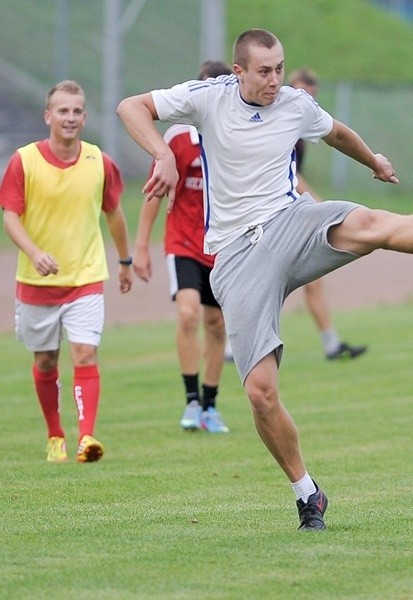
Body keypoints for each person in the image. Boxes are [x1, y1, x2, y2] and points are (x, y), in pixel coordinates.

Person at [116, 28, 413, 530]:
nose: (275, 79)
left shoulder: (293, 104)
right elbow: (131, 106)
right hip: (237, 255)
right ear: (238, 72)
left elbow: (337, 132)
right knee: (261, 393)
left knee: (370, 225)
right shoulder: (207, 97)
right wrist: (163, 154)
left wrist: (374, 160)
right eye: (264, 71)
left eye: (280, 68)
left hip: (290, 221)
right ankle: (308, 493)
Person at [0, 79, 133, 463]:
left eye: (76, 111)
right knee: (46, 361)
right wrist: (35, 252)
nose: (70, 118)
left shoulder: (99, 162)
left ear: (84, 117)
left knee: (85, 354)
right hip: (36, 282)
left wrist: (124, 262)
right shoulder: (24, 160)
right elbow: (10, 217)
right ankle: (55, 434)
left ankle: (86, 438)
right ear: (48, 116)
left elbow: (114, 213)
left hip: (85, 278)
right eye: (62, 111)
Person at [132, 60, 231, 434]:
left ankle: (211, 404)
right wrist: (141, 247)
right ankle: (191, 402)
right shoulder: (176, 139)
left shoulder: (234, 140)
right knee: (189, 314)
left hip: (222, 245)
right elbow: (154, 193)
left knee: (216, 322)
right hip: (184, 243)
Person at [288, 67, 367, 361]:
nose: (305, 99)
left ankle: (331, 344)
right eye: (300, 92)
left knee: (313, 277)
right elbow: (289, 176)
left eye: (310, 95)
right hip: (273, 214)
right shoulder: (279, 125)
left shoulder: (300, 129)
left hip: (292, 209)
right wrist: (318, 203)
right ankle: (234, 347)